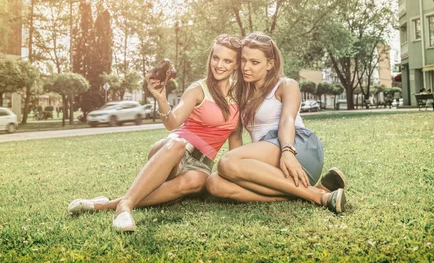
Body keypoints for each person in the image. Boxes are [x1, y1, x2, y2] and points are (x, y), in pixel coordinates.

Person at [67, 34, 243, 231]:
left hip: (201, 166)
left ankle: (104, 204)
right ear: (210, 57)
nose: (219, 65)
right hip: (173, 151)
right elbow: (172, 123)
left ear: (236, 65)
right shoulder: (198, 89)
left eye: (227, 61)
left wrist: (234, 174)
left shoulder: (240, 97)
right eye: (216, 58)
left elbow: (235, 140)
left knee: (195, 181)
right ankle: (124, 208)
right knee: (177, 143)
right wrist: (161, 98)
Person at [206, 32, 347, 214]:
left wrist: (287, 151)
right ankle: (309, 192)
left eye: (255, 62)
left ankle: (320, 198)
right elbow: (235, 136)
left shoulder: (286, 85)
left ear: (270, 64)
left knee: (226, 161)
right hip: (271, 167)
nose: (246, 67)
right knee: (215, 183)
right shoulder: (238, 92)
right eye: (243, 60)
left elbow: (287, 120)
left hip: (296, 147)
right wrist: (235, 173)